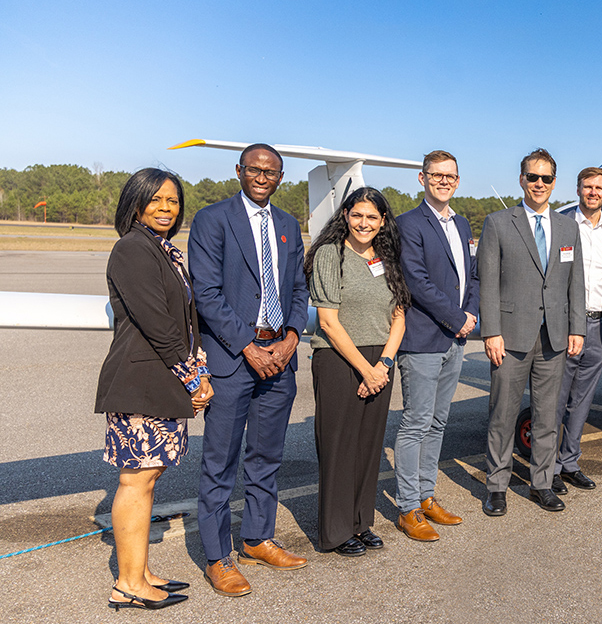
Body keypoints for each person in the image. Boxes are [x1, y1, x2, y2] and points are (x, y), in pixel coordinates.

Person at [188, 143, 310, 597]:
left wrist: (293, 335)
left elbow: (299, 287)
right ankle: (219, 558)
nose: (262, 176)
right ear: (239, 171)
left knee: (267, 456)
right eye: (255, 169)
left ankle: (258, 538)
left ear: (281, 177)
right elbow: (207, 292)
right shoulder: (212, 219)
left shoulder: (287, 225)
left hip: (281, 355)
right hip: (233, 358)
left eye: (271, 171)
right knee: (220, 462)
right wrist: (246, 344)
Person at [97, 168, 210, 611]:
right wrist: (194, 377)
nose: (166, 208)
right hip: (140, 381)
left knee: (149, 477)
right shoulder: (132, 249)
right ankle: (127, 584)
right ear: (136, 202)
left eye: (173, 201)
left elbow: (185, 321)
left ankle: (140, 572)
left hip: (162, 378)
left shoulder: (162, 249)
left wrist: (194, 369)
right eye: (156, 199)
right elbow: (159, 325)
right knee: (136, 479)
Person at [478, 148, 586, 515]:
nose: (540, 184)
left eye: (547, 179)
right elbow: (488, 284)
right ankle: (497, 485)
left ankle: (541, 483)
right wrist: (491, 332)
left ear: (555, 183)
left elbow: (577, 283)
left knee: (546, 415)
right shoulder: (497, 223)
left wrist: (578, 328)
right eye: (533, 177)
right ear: (522, 180)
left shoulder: (569, 226)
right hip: (510, 336)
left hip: (554, 336)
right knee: (503, 414)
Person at [305, 187, 409, 557]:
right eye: (358, 215)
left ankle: (361, 522)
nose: (364, 223)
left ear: (382, 222)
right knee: (339, 446)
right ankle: (335, 531)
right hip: (338, 358)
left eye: (372, 217)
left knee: (368, 446)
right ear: (346, 215)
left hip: (380, 361)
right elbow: (329, 323)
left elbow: (399, 316)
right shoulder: (330, 255)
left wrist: (383, 364)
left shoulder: (386, 258)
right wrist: (367, 370)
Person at [393, 150, 478, 541]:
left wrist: (471, 313)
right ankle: (408, 507)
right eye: (437, 175)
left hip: (455, 338)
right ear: (422, 178)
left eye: (451, 176)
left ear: (457, 181)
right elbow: (416, 280)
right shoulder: (408, 224)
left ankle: (427, 497)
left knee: (439, 422)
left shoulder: (460, 223)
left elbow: (471, 277)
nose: (444, 181)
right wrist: (457, 318)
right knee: (415, 423)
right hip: (425, 338)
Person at [549, 167, 602, 494]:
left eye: (599, 187)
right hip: (568, 326)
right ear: (578, 189)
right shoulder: (562, 225)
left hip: (599, 326)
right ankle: (548, 467)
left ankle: (570, 462)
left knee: (581, 401)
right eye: (587, 187)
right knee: (555, 400)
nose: (593, 192)